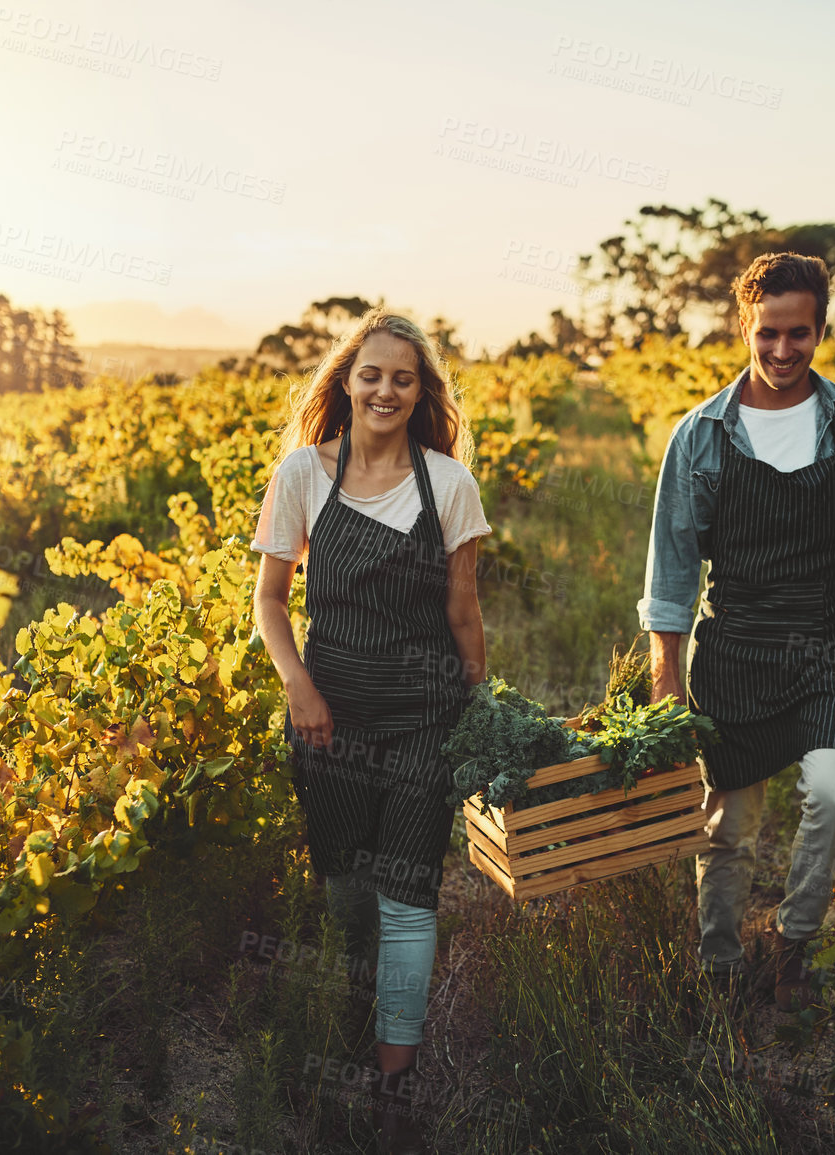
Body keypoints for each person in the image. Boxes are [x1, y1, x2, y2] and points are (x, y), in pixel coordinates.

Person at [638, 252, 835, 1012]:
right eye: (767, 334)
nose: (782, 351)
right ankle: (721, 964)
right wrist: (666, 671)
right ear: (743, 327)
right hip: (732, 647)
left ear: (820, 328)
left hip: (825, 643)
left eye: (799, 333)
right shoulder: (699, 435)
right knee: (728, 828)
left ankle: (793, 944)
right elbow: (671, 566)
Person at [251, 309, 489, 1152]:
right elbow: (271, 601)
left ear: (421, 393)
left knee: (408, 896)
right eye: (372, 374)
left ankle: (395, 1080)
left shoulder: (449, 483)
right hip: (331, 714)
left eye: (404, 377)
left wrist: (479, 707)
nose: (386, 389)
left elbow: (463, 608)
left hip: (424, 714)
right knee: (346, 891)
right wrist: (300, 688)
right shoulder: (303, 474)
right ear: (345, 383)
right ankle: (355, 1034)